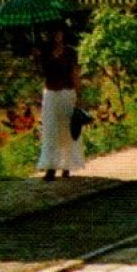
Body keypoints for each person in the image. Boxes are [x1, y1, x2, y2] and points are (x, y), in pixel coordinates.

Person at [35, 24, 84, 180]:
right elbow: (40, 73)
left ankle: (67, 165)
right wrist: (36, 57)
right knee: (50, 131)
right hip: (50, 94)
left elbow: (75, 74)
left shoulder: (70, 52)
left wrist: (79, 96)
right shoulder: (44, 53)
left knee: (67, 131)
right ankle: (51, 167)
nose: (57, 35)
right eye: (53, 32)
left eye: (59, 31)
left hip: (66, 93)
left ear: (63, 34)